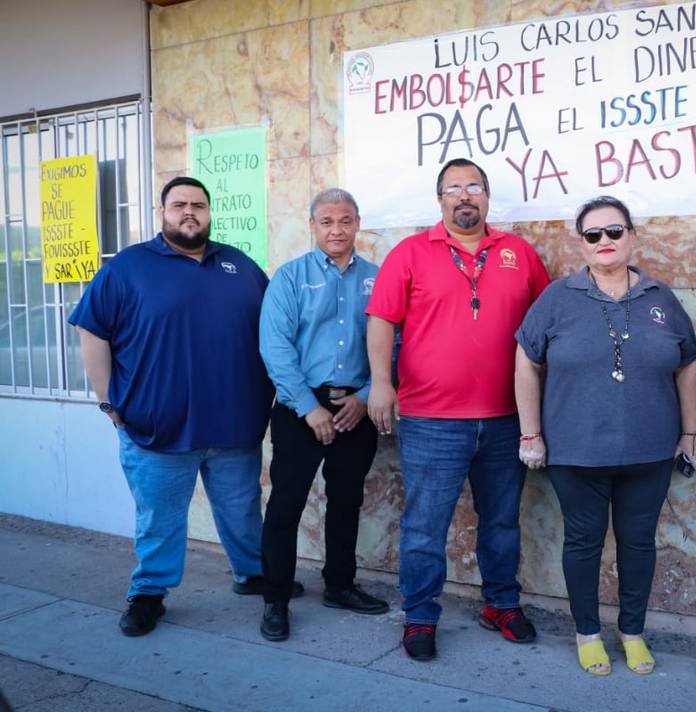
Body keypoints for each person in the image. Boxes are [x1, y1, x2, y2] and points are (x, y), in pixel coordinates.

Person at [69, 176, 281, 637]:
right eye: (179, 204)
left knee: (243, 511)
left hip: (234, 425)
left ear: (209, 212)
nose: (190, 212)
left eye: (198, 205)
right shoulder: (128, 267)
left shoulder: (240, 266)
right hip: (156, 429)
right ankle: (149, 594)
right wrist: (109, 402)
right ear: (162, 213)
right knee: (159, 520)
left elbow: (273, 330)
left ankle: (254, 575)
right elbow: (92, 332)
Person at [365, 158, 550, 661]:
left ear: (487, 197)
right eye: (454, 188)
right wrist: (382, 384)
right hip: (430, 419)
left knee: (502, 520)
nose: (464, 195)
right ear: (440, 199)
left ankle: (502, 605)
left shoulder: (518, 253)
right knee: (425, 525)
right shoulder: (409, 253)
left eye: (474, 187)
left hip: (505, 417)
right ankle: (420, 616)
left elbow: (544, 324)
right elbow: (382, 320)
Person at [515, 196, 696, 676]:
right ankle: (587, 633)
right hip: (576, 452)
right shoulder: (558, 297)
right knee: (583, 543)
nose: (605, 241)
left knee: (639, 544)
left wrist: (691, 432)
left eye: (614, 231)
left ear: (632, 237)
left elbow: (688, 363)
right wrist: (530, 434)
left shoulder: (660, 297)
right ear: (581, 243)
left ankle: (633, 632)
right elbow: (527, 363)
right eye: (593, 234)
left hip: (650, 452)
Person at [256, 188, 389, 642]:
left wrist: (367, 395)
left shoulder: (378, 279)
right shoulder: (290, 278)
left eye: (346, 220)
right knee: (286, 503)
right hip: (300, 407)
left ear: (357, 223)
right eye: (327, 221)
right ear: (312, 226)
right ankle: (275, 597)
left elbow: (399, 344)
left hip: (356, 409)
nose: (337, 230)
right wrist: (308, 407)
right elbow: (275, 348)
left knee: (347, 499)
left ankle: (340, 585)